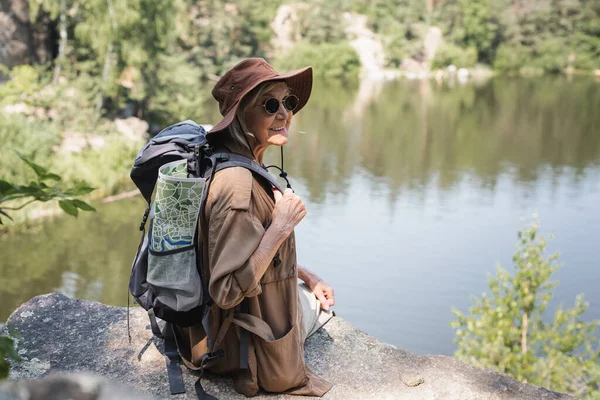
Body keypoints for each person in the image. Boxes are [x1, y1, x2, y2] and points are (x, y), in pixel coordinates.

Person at [173, 58, 335, 397]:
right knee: (322, 309)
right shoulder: (238, 185)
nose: (285, 114)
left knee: (312, 294)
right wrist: (280, 227)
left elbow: (238, 249)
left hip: (227, 332)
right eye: (270, 104)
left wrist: (305, 275)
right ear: (241, 115)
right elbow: (227, 290)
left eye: (288, 102)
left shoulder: (238, 162)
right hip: (237, 349)